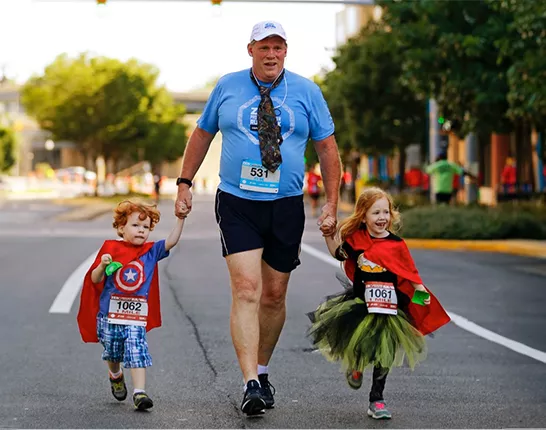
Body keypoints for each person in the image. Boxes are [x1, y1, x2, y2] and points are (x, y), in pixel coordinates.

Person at [174, 20, 341, 415]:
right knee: (247, 289)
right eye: (263, 47)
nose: (271, 54)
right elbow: (202, 134)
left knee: (274, 294)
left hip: (285, 203)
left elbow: (328, 149)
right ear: (250, 49)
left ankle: (262, 370)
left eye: (278, 47)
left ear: (286, 51)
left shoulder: (306, 91)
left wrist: (332, 202)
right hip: (237, 201)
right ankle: (250, 382)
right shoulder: (228, 86)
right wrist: (184, 182)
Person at [308, 187, 450, 420]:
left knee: (385, 352)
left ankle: (377, 399)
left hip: (390, 307)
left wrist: (421, 301)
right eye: (376, 213)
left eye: (386, 212)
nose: (382, 217)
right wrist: (328, 235)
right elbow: (339, 254)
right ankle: (355, 365)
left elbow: (412, 276)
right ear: (363, 216)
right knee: (361, 343)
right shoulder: (357, 240)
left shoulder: (397, 244)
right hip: (361, 303)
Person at [77, 201, 185, 410]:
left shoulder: (151, 251)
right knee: (113, 352)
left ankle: (139, 392)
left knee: (137, 348)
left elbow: (171, 242)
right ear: (121, 228)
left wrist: (181, 219)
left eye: (146, 228)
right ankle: (115, 374)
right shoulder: (111, 249)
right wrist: (103, 265)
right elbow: (95, 278)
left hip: (135, 316)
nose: (141, 231)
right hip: (109, 314)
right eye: (136, 226)